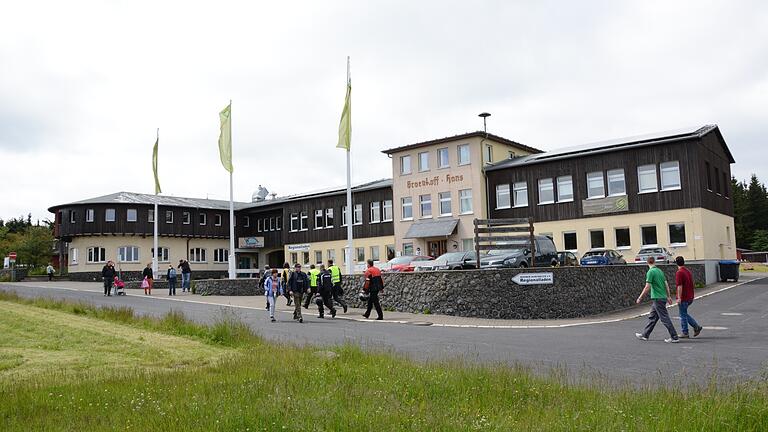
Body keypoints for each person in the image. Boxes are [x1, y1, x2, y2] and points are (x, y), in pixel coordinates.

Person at [635, 256, 679, 343]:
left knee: (664, 318)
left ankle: (674, 337)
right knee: (653, 317)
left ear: (647, 263)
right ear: (654, 262)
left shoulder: (650, 272)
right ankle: (645, 335)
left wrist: (640, 297)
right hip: (661, 298)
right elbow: (666, 284)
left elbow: (648, 286)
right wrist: (668, 296)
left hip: (657, 298)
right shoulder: (659, 271)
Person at [675, 256, 703, 338]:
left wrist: (679, 297)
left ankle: (686, 332)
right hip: (690, 297)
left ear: (676, 263)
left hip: (684, 297)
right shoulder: (687, 271)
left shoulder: (679, 272)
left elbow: (679, 286)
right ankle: (696, 327)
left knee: (683, 315)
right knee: (683, 314)